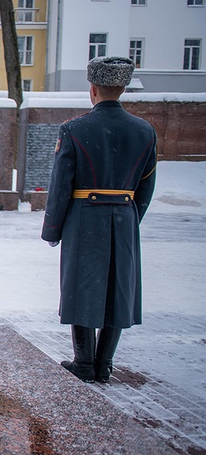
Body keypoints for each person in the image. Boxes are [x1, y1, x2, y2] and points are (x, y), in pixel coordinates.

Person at [42, 56, 157, 384]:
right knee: (118, 289)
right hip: (123, 217)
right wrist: (130, 217)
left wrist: (53, 228)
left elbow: (61, 185)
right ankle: (104, 363)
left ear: (92, 89)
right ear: (122, 89)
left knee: (82, 289)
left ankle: (84, 363)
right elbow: (146, 185)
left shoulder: (75, 130)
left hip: (84, 218)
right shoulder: (145, 131)